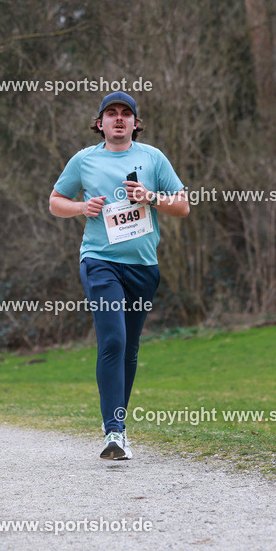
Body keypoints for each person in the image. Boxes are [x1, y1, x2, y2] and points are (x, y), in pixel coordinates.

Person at [49, 92, 189, 461]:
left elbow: (183, 205)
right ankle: (115, 431)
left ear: (135, 124)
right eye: (111, 114)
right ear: (100, 124)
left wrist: (151, 197)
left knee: (128, 348)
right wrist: (81, 206)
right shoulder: (84, 160)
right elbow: (55, 201)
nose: (119, 119)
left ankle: (116, 420)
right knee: (112, 339)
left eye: (126, 114)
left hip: (143, 266)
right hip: (100, 262)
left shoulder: (152, 158)